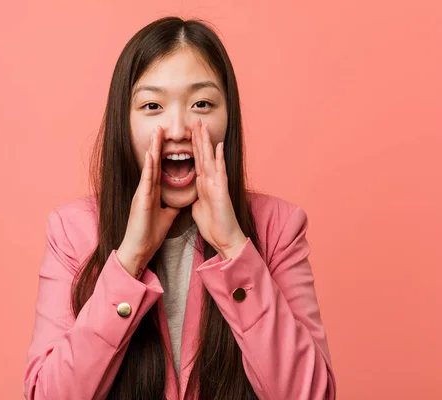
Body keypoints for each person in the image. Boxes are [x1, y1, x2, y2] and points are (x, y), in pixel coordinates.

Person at [23, 16, 336, 400]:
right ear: (125, 122)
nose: (177, 127)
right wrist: (129, 260)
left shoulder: (279, 228)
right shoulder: (72, 231)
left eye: (202, 103)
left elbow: (311, 394)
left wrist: (234, 248)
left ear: (229, 119)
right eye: (152, 105)